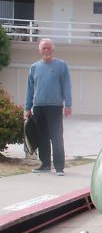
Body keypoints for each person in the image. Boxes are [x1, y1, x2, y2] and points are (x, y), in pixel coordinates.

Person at [25, 38, 72, 176]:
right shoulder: (34, 67)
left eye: (48, 48)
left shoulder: (61, 65)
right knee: (42, 137)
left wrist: (68, 105)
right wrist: (27, 108)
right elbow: (29, 89)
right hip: (38, 107)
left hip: (55, 107)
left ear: (52, 49)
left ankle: (59, 167)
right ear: (40, 50)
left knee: (57, 137)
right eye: (44, 48)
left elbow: (67, 87)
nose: (46, 50)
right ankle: (45, 164)